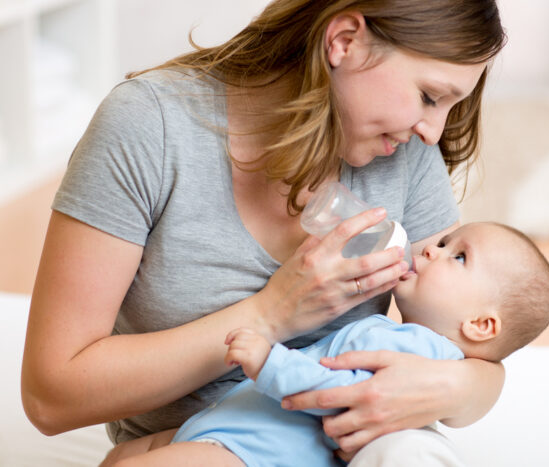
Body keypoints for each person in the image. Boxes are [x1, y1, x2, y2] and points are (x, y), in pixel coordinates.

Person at [21, 0, 508, 464]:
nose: (433, 131)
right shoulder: (151, 127)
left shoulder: (404, 156)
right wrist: (270, 314)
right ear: (343, 40)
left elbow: (475, 349)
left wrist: (450, 389)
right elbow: (50, 397)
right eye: (429, 96)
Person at [101, 221, 549, 466]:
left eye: (457, 256)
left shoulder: (421, 355)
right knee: (121, 455)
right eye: (443, 241)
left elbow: (334, 392)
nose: (430, 250)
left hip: (254, 456)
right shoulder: (397, 335)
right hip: (230, 430)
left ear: (481, 325)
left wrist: (268, 360)